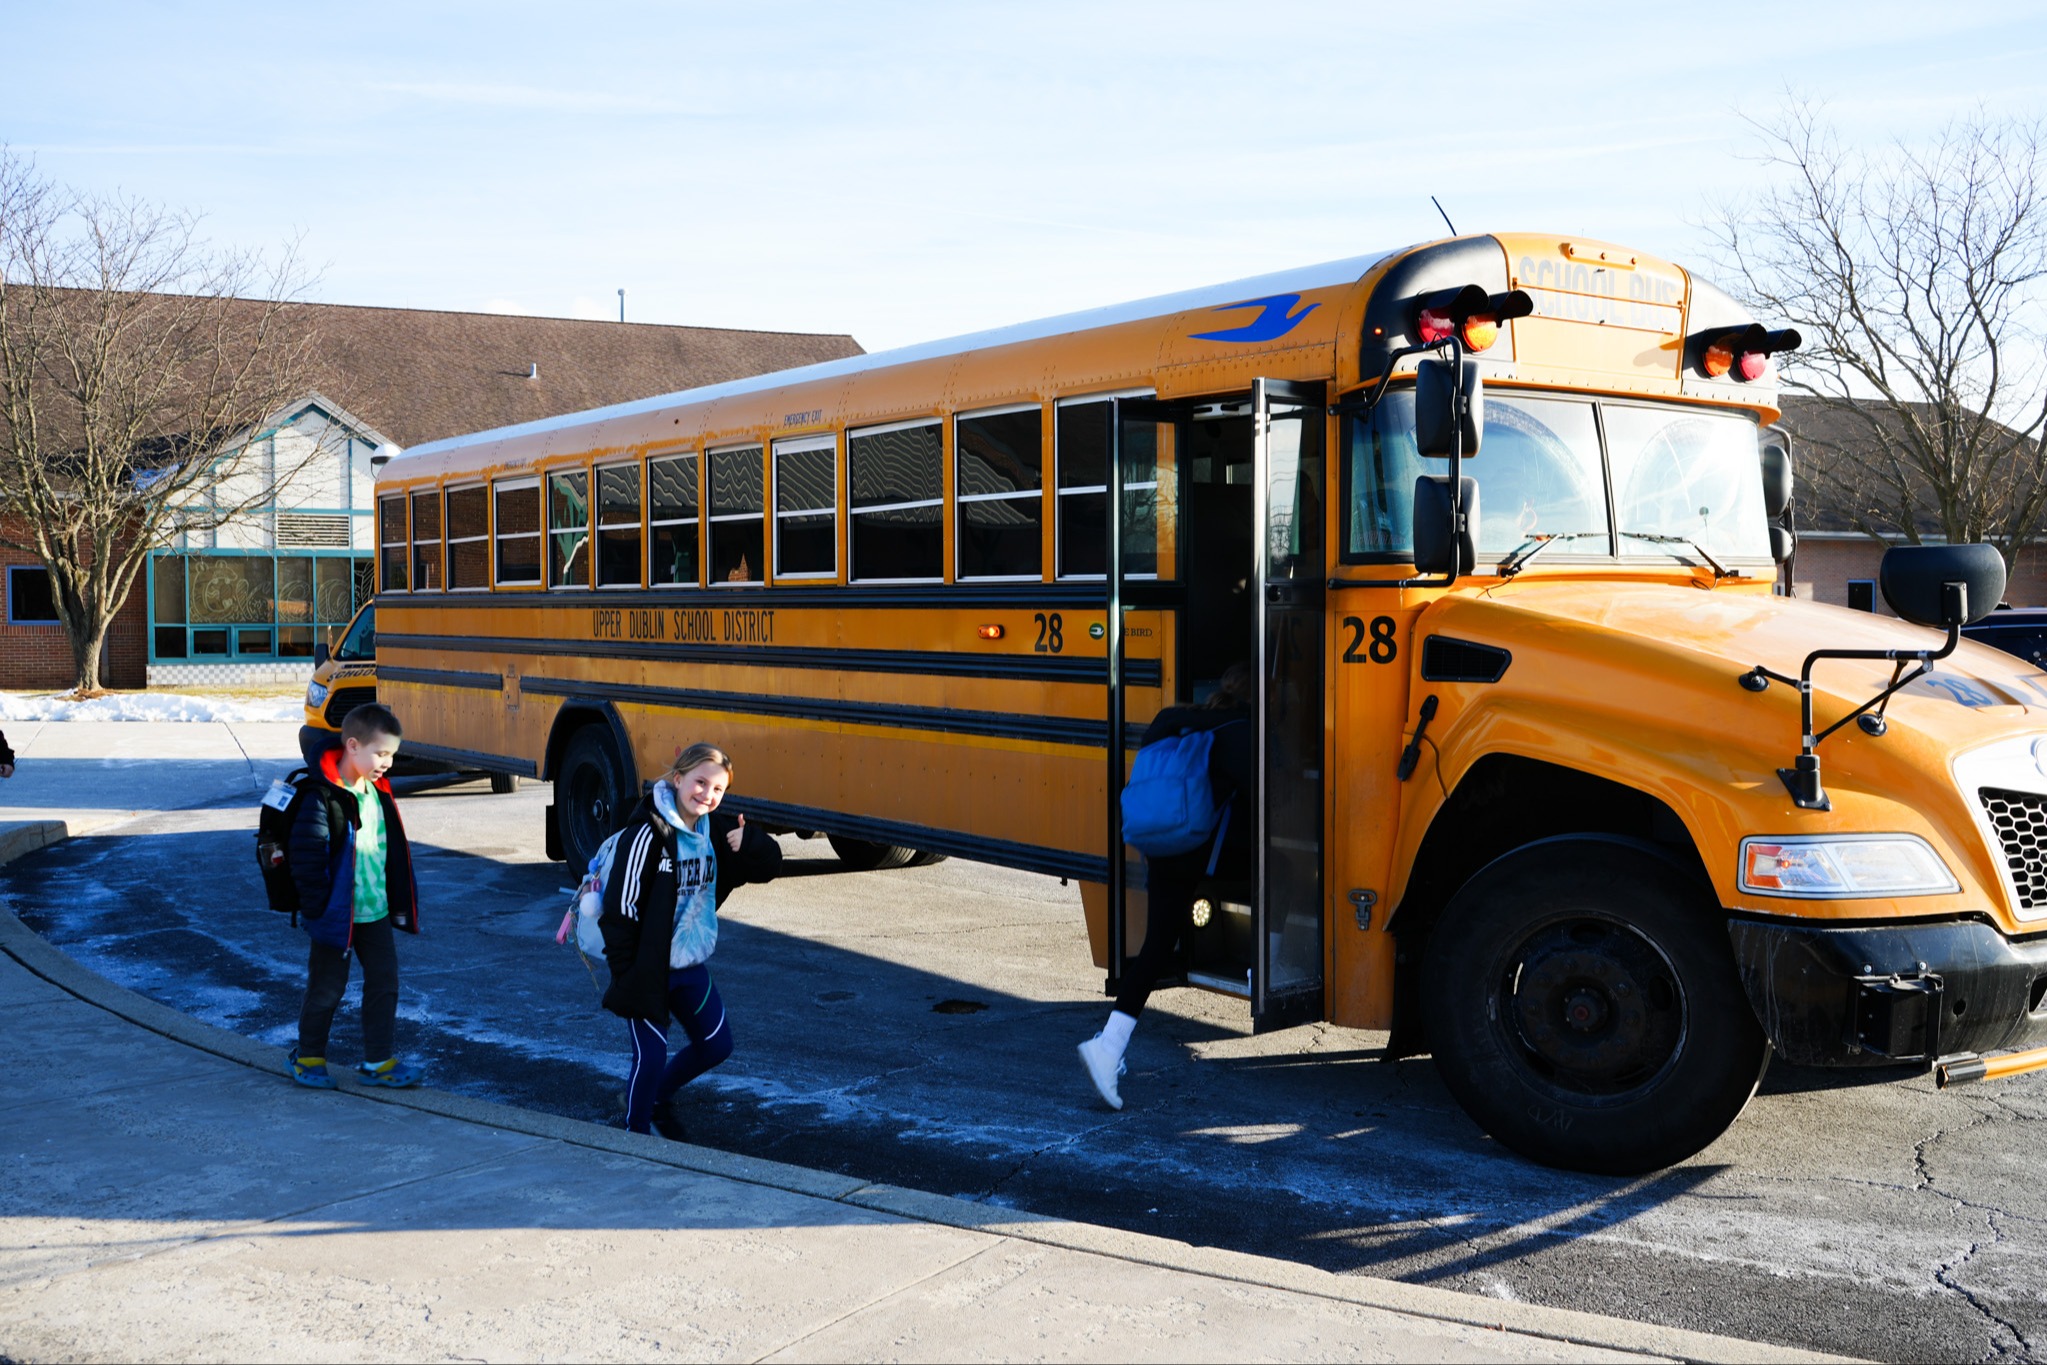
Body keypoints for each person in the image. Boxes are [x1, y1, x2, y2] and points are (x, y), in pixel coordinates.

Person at [1079, 662, 1255, 1111]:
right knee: (1288, 867)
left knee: (1157, 945)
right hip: (1201, 850)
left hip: (1159, 845)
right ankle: (1265, 968)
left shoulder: (1169, 719)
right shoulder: (1242, 733)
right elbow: (1268, 801)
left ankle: (1109, 1046)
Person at [601, 742, 781, 1138]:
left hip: (690, 963)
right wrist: (626, 973)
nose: (708, 795)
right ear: (678, 778)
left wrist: (749, 842)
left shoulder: (714, 830)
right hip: (648, 969)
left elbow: (771, 865)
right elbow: (619, 910)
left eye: (718, 789)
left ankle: (657, 1098)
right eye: (700, 783)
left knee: (717, 1045)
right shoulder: (647, 834)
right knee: (650, 1057)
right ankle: (636, 1134)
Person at [286, 702, 422, 1090]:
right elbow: (307, 858)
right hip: (337, 914)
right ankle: (309, 1057)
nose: (388, 763)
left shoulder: (376, 792)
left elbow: (387, 852)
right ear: (352, 746)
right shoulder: (322, 797)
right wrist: (318, 911)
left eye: (392, 755)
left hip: (373, 911)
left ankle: (378, 1061)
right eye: (381, 753)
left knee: (384, 983)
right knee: (327, 987)